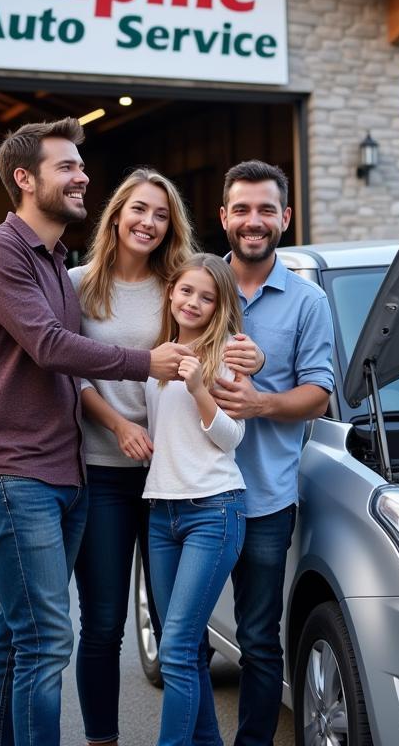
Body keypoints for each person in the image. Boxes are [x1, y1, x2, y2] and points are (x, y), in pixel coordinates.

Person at [0, 119, 190, 746]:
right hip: (12, 469)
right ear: (25, 179)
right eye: (67, 166)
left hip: (65, 472)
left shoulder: (57, 263)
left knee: (16, 634)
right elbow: (50, 347)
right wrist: (146, 363)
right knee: (46, 639)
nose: (82, 175)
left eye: (81, 165)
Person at [67, 168, 196, 746]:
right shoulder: (76, 285)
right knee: (101, 624)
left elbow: (216, 337)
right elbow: (67, 372)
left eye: (161, 214)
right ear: (116, 214)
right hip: (103, 474)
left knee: (177, 628)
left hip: (172, 478)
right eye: (139, 210)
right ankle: (103, 741)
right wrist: (119, 425)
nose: (148, 222)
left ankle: (187, 737)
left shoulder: (178, 286)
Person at [210, 161, 336, 746]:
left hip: (265, 498)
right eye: (241, 209)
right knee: (181, 633)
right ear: (224, 217)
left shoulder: (307, 302)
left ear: (285, 217)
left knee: (259, 637)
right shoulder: (196, 291)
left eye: (265, 209)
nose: (252, 221)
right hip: (192, 495)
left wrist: (259, 404)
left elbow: (319, 393)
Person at [145, 253, 248, 746]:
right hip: (161, 511)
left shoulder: (227, 354)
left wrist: (200, 387)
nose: (194, 302)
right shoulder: (157, 356)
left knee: (180, 648)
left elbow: (232, 438)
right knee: (179, 647)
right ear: (171, 293)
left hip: (214, 509)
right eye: (186, 291)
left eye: (206, 297)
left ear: (219, 307)